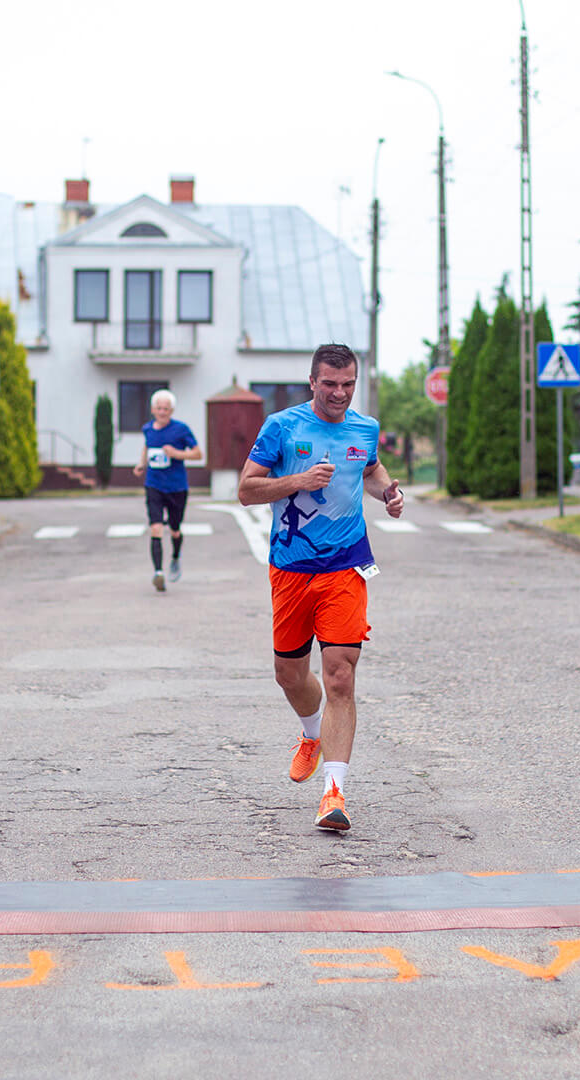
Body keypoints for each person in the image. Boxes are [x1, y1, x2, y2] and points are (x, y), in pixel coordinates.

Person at [239, 343, 404, 832]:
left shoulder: (364, 428)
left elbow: (370, 468)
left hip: (347, 566)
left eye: (348, 384)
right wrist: (297, 480)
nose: (339, 393)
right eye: (330, 384)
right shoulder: (282, 427)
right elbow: (247, 489)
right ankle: (311, 731)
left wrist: (389, 491)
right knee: (290, 675)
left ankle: (333, 794)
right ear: (313, 381)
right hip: (291, 567)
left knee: (339, 676)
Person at [131, 389, 203, 591]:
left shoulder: (181, 429)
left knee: (174, 529)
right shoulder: (148, 429)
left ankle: (175, 557)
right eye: (159, 408)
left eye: (166, 409)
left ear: (171, 410)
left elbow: (198, 454)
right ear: (153, 409)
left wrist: (176, 453)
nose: (162, 412)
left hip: (177, 487)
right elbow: (147, 447)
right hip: (154, 485)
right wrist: (141, 464)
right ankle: (158, 573)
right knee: (155, 527)